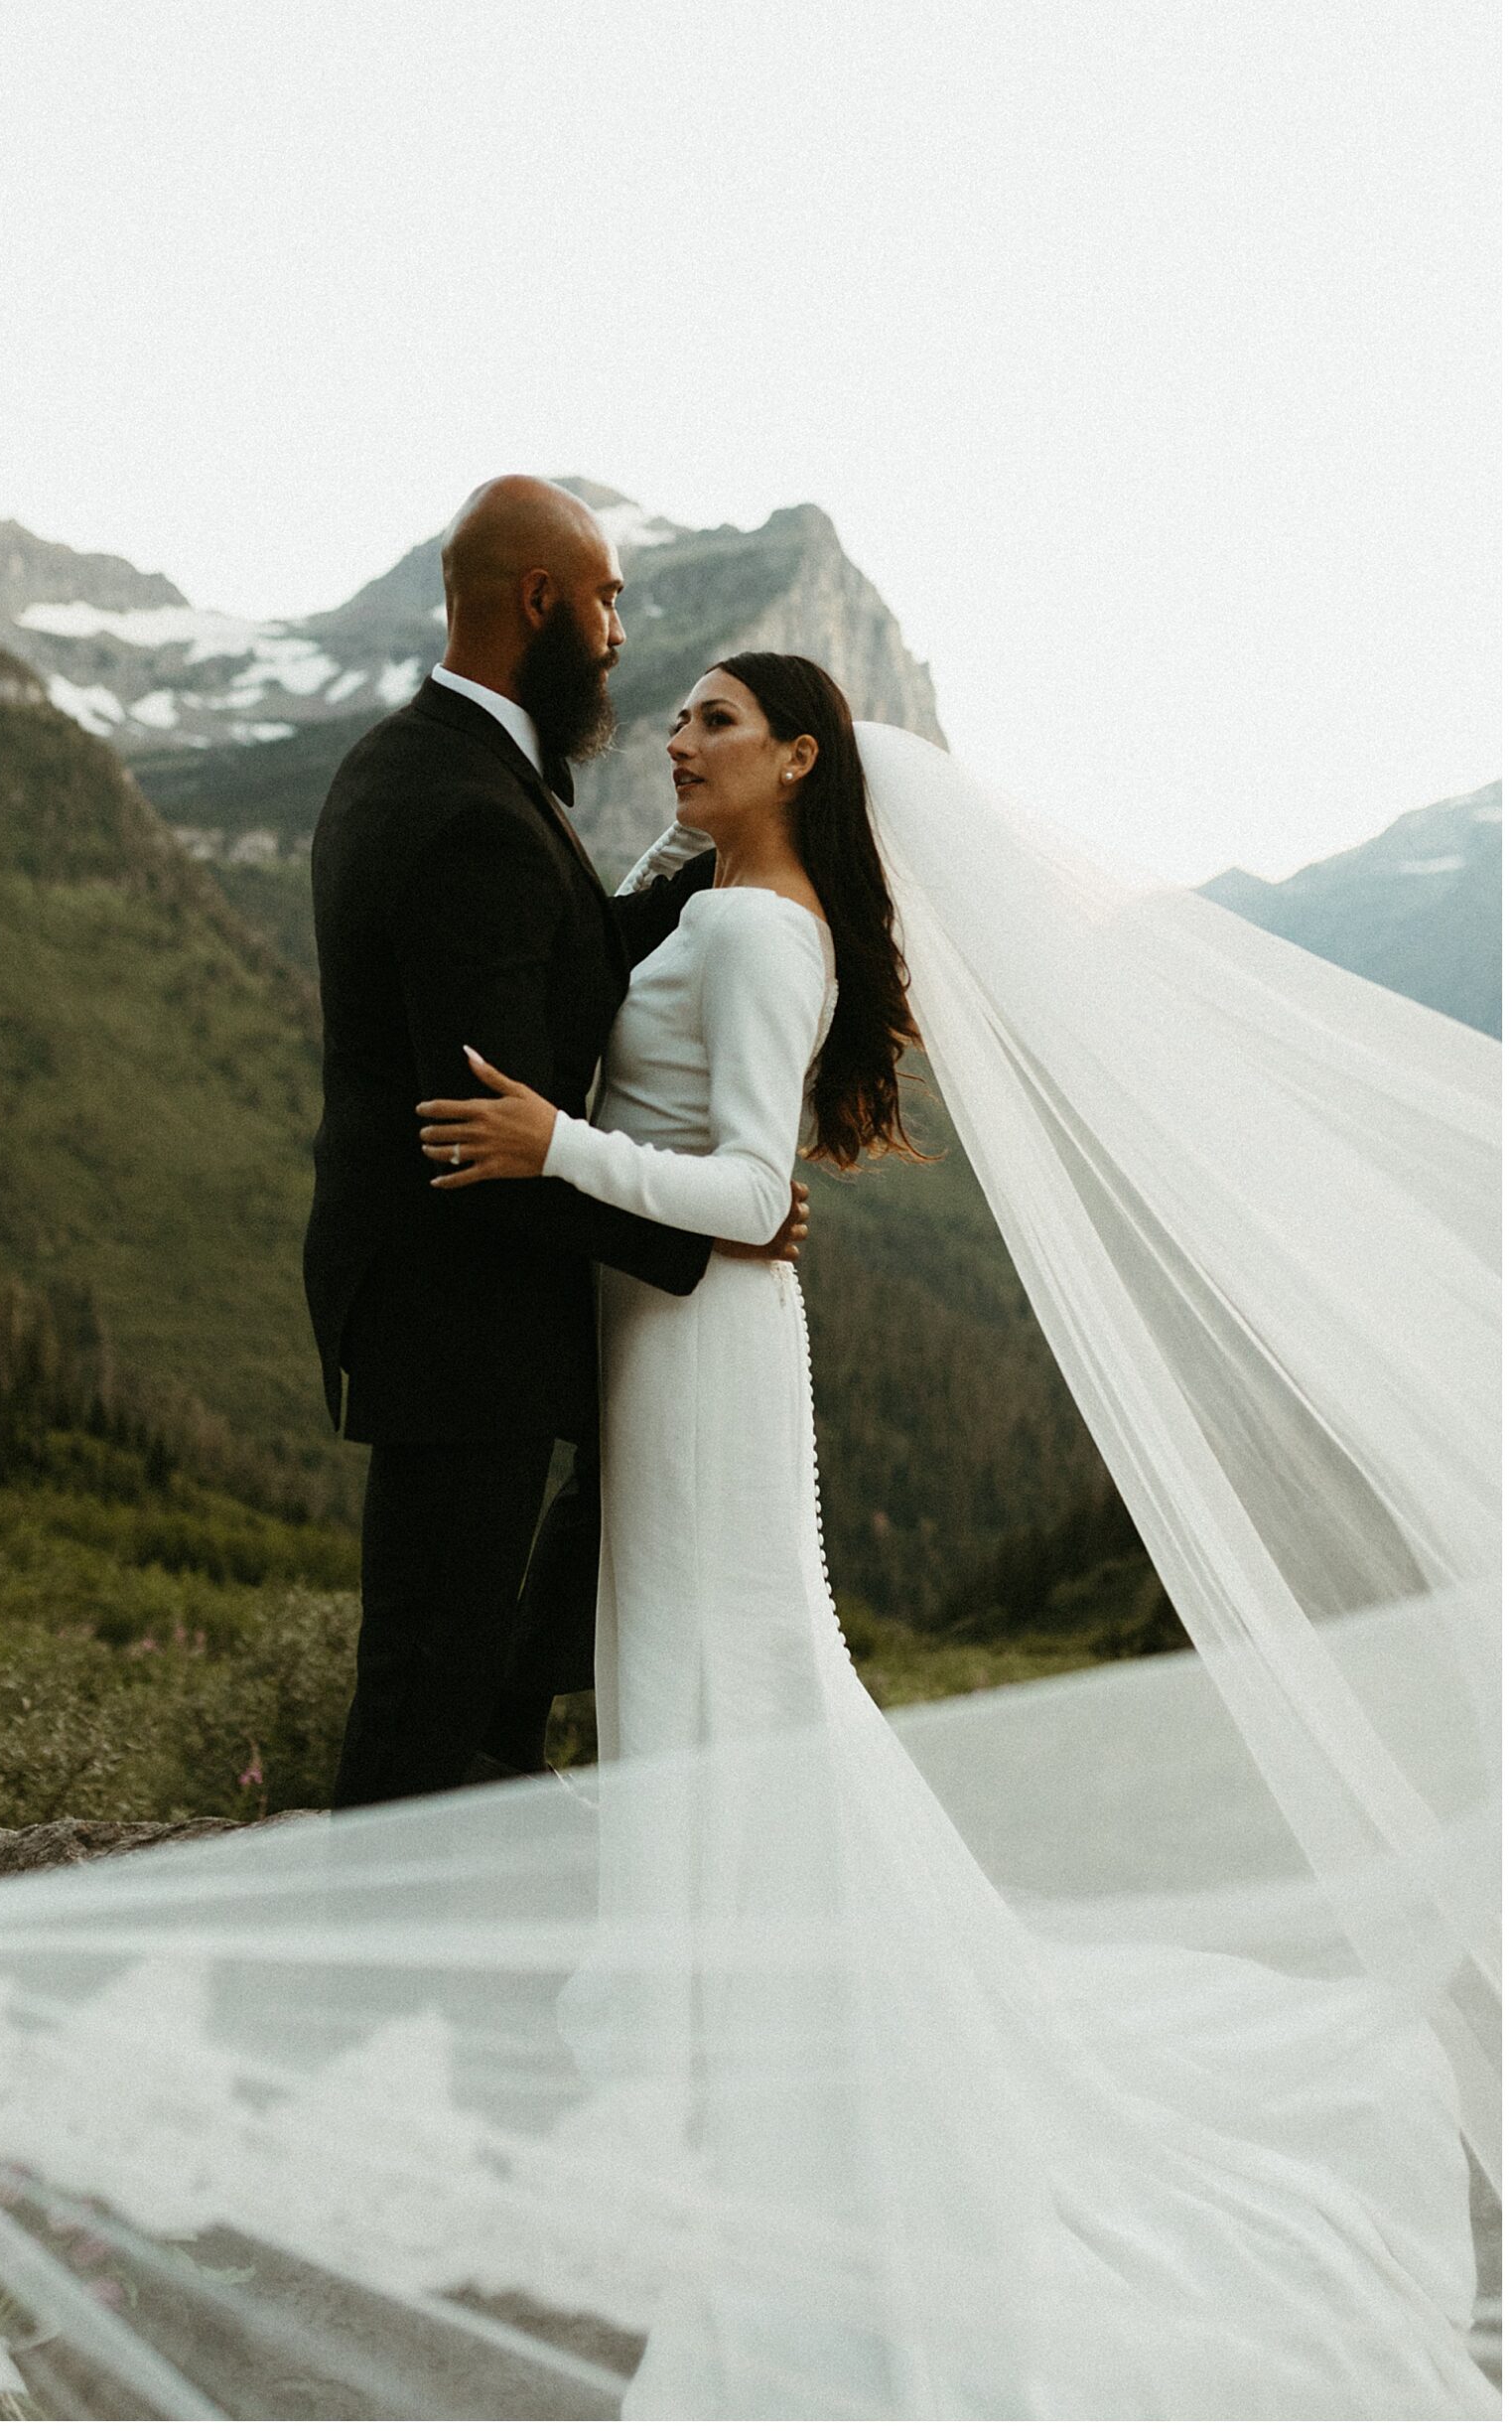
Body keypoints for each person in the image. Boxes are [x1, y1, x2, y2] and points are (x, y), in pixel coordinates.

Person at [418, 651, 1498, 2417]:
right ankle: (733, 2041)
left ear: (799, 758)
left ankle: (766, 2068)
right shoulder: (720, 899)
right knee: (714, 1685)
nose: (680, 740)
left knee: (736, 1682)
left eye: (714, 721)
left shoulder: (770, 934)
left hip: (703, 1359)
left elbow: (751, 1192)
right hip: (665, 1355)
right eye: (678, 715)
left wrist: (555, 1148)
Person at [302, 478, 803, 1809]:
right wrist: (712, 1220)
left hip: (431, 1315)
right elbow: (491, 1139)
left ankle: (454, 1963)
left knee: (472, 1686)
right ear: (544, 602)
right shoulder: (471, 809)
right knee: (427, 1702)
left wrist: (729, 862)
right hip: (463, 1324)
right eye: (608, 597)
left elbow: (557, 965)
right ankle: (368, 1984)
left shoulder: (408, 762)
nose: (621, 629)